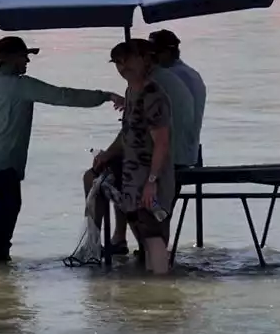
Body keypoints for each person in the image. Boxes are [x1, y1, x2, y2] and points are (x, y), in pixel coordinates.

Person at [0, 36, 122, 264]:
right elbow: (64, 96)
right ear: (8, 59)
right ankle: (2, 291)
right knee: (0, 241)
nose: (27, 60)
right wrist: (105, 96)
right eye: (23, 56)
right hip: (3, 173)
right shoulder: (22, 86)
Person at [84, 35, 196, 258]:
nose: (123, 67)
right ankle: (118, 242)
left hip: (161, 163)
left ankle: (101, 244)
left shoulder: (153, 90)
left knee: (96, 179)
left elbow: (155, 139)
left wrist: (152, 180)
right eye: (118, 62)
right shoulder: (146, 86)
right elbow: (132, 130)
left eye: (128, 59)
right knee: (145, 224)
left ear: (147, 59)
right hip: (176, 155)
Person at [149, 29, 207, 159]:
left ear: (167, 53)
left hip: (173, 155)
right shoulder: (191, 73)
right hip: (190, 151)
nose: (150, 58)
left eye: (154, 53)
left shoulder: (166, 77)